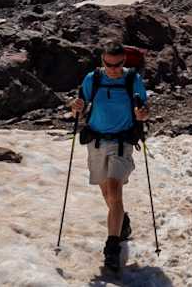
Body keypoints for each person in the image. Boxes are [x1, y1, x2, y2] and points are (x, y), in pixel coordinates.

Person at [68, 42, 150, 274]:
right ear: (102, 60)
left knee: (114, 191)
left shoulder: (132, 80)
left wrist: (142, 114)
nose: (114, 69)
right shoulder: (92, 79)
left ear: (125, 60)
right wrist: (74, 107)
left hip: (121, 142)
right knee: (107, 194)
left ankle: (111, 248)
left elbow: (144, 108)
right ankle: (122, 223)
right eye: (109, 64)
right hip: (96, 142)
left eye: (119, 64)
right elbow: (78, 109)